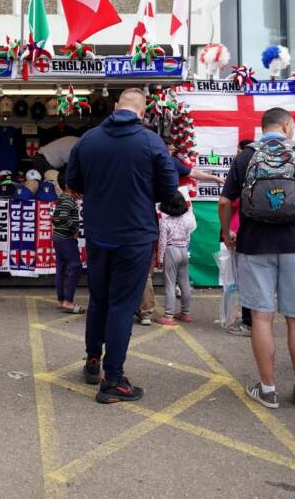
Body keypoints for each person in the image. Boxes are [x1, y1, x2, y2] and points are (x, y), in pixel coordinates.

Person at [219, 107, 295, 410]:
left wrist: (226, 232)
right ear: (286, 125)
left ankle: (268, 390)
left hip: (254, 244)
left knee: (261, 316)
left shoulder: (245, 156)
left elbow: (224, 201)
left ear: (264, 128)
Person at [67, 88, 177, 404]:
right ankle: (113, 379)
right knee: (121, 306)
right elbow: (169, 190)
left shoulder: (88, 140)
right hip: (135, 236)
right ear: (142, 112)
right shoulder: (151, 142)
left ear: (116, 107)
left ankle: (92, 361)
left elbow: (73, 184)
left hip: (99, 233)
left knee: (99, 300)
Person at [155, 190, 197, 326]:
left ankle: (168, 315)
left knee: (170, 284)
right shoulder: (186, 220)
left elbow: (162, 242)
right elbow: (188, 236)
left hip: (171, 251)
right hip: (183, 250)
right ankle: (185, 312)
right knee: (184, 283)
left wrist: (160, 259)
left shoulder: (165, 223)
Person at [226, 139, 254, 337]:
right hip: (256, 233)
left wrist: (227, 232)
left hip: (239, 232)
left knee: (244, 280)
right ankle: (253, 320)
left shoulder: (241, 175)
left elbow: (226, 203)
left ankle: (248, 322)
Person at [51, 182, 83, 314]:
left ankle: (61, 299)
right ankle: (67, 301)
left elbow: (55, 218)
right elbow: (62, 217)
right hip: (66, 239)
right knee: (75, 266)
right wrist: (74, 229)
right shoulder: (69, 200)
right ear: (68, 185)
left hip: (59, 237)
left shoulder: (62, 198)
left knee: (62, 267)